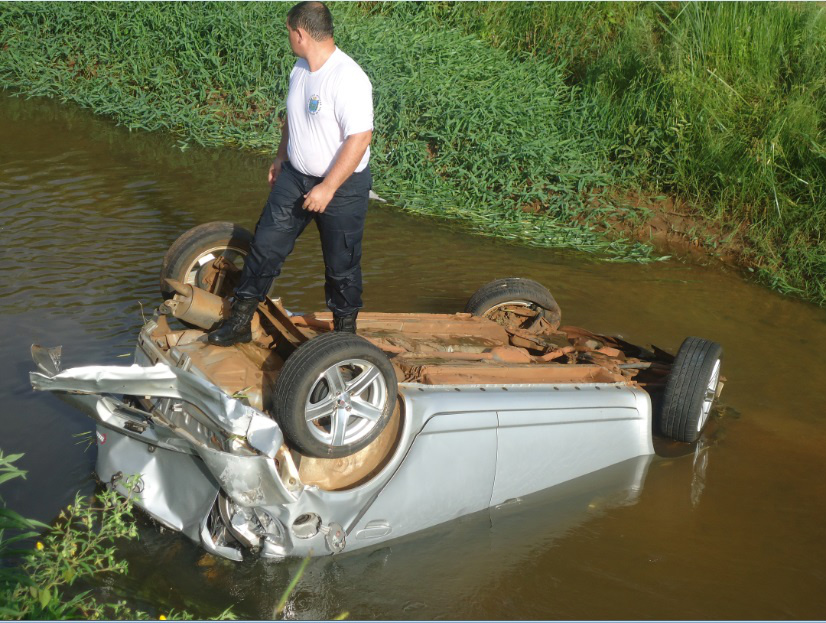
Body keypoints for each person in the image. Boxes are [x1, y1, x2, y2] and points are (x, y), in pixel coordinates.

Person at [208, 1, 373, 346]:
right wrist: (281, 156)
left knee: (341, 265)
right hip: (295, 177)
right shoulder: (300, 68)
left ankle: (344, 338)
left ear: (300, 34)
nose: (288, 37)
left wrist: (328, 187)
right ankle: (239, 322)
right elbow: (292, 117)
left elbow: (360, 138)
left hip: (342, 187)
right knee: (265, 246)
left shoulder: (349, 77)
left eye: (288, 31)